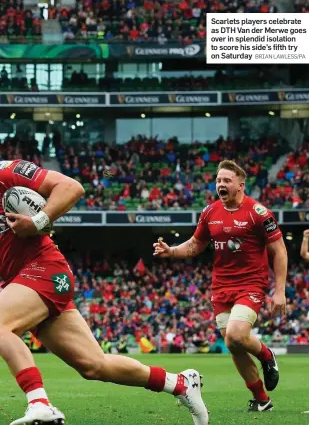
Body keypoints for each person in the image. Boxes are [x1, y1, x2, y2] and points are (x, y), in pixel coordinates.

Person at [0, 159, 209, 425]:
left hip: (44, 269)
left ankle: (40, 403)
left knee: (1, 325)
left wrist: (38, 221)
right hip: (26, 280)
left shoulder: (7, 171)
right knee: (94, 365)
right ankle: (179, 383)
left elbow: (71, 186)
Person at [154, 160, 287, 413]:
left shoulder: (259, 213)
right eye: (218, 180)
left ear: (240, 185)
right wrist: (171, 251)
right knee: (232, 343)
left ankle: (267, 355)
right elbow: (195, 245)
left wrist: (279, 290)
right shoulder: (210, 212)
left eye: (226, 180)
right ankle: (261, 399)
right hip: (221, 286)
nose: (221, 185)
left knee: (237, 335)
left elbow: (279, 251)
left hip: (251, 283)